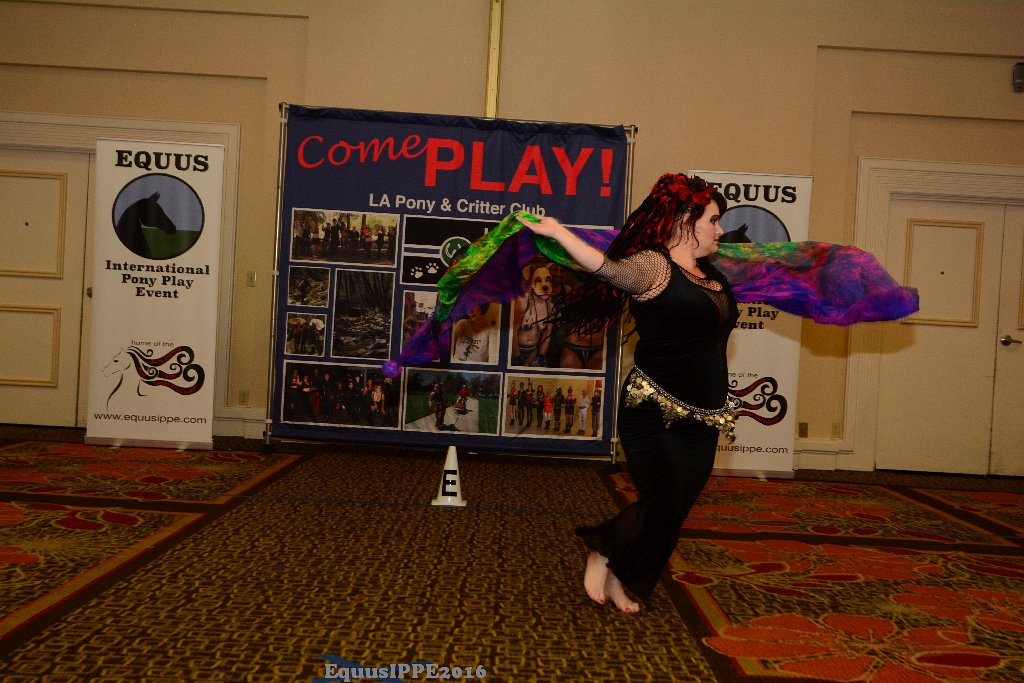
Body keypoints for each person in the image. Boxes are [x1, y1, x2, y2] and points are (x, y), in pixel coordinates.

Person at [519, 172, 736, 614]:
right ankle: (603, 549)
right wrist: (559, 232)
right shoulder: (654, 266)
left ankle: (623, 575)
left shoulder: (711, 276)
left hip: (705, 416)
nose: (720, 230)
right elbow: (606, 268)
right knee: (662, 501)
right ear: (685, 221)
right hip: (653, 409)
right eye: (713, 221)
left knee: (675, 509)